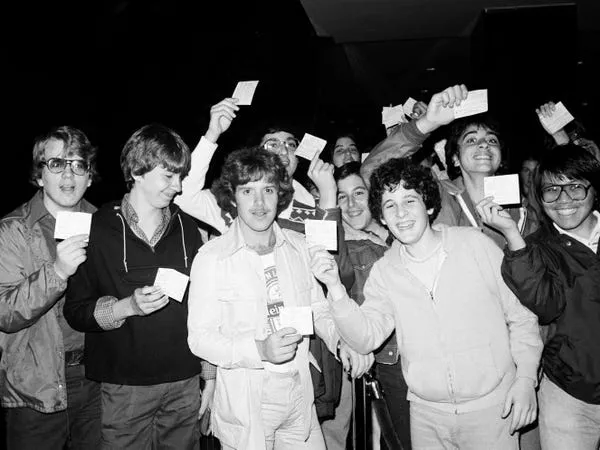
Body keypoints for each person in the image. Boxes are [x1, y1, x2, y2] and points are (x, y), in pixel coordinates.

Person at [310, 157, 543, 449]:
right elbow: (365, 338)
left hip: (492, 409)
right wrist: (335, 289)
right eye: (390, 205)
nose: (401, 213)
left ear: (430, 205)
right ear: (381, 217)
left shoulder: (474, 244)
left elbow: (520, 316)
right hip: (426, 417)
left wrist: (525, 378)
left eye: (410, 200)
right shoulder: (385, 270)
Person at [174, 99, 355, 421]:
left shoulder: (309, 203)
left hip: (307, 348)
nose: (282, 150)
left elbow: (332, 270)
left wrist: (327, 200)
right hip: (250, 360)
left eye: (290, 144)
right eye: (272, 143)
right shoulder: (236, 205)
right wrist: (212, 134)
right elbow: (184, 194)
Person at [187, 147, 372, 450]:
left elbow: (318, 309)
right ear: (233, 197)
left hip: (300, 392)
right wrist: (259, 349)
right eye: (248, 191)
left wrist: (341, 341)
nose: (259, 203)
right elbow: (200, 339)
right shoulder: (211, 258)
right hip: (248, 400)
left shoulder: (299, 246)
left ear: (280, 195)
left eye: (268, 190)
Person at [64, 124, 212, 449]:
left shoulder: (188, 227)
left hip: (184, 383)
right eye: (168, 175)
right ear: (137, 171)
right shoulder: (97, 227)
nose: (178, 186)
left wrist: (209, 376)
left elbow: (205, 306)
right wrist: (126, 307)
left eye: (181, 176)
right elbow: (75, 311)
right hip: (124, 388)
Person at [477, 143, 600, 449]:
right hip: (570, 396)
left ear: (594, 189)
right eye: (551, 190)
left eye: (575, 187)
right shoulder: (536, 247)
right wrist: (511, 234)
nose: (564, 200)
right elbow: (546, 305)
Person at [0, 126, 101, 449]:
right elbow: (4, 312)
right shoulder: (13, 230)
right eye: (57, 163)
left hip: (97, 381)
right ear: (40, 175)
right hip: (36, 388)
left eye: (78, 164)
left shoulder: (106, 225)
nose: (68, 174)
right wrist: (57, 271)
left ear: (89, 175)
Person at [328, 161, 410, 450]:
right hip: (387, 363)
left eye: (359, 193)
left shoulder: (402, 231)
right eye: (341, 196)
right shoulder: (342, 248)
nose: (351, 204)